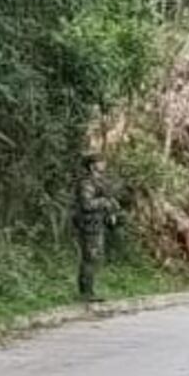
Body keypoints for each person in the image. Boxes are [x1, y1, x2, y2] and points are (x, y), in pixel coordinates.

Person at [72, 124, 128, 301]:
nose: (103, 164)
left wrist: (112, 207)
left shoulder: (100, 181)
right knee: (90, 257)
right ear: (92, 166)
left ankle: (89, 291)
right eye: (100, 162)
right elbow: (87, 204)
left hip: (97, 223)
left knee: (95, 257)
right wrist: (104, 202)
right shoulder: (87, 183)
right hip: (89, 224)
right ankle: (85, 293)